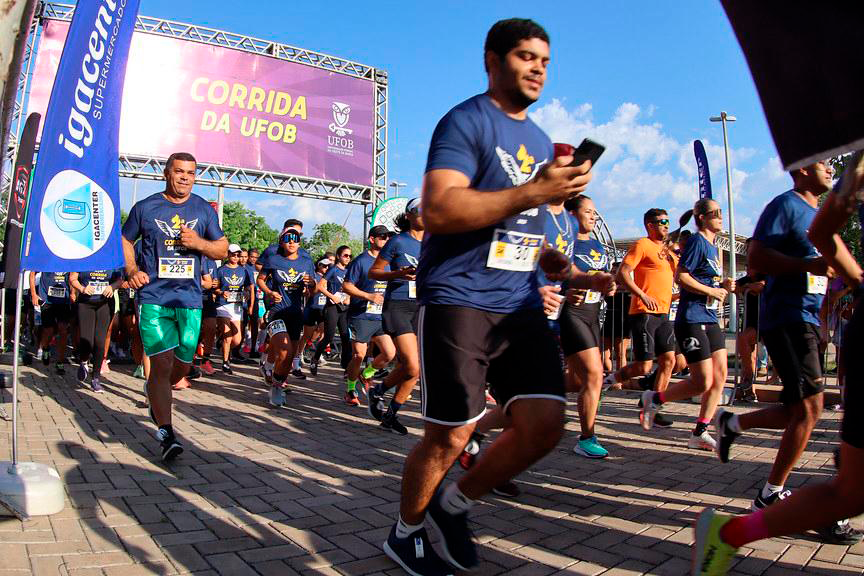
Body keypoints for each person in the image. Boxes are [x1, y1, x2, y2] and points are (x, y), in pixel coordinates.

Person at [382, 19, 604, 575]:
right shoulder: (465, 121)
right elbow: (440, 210)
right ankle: (405, 533)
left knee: (545, 424)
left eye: (545, 61)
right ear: (491, 60)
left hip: (521, 301)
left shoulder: (536, 140)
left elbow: (519, 225)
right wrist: (535, 190)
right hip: (459, 297)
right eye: (525, 57)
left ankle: (453, 505)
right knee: (451, 433)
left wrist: (555, 262)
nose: (537, 69)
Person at [694, 152, 864, 575]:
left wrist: (833, 301)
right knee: (811, 409)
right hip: (786, 317)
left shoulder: (821, 211)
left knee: (799, 409)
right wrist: (806, 265)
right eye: (825, 163)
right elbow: (756, 258)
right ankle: (772, 491)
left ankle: (733, 427)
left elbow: (833, 265)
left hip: (806, 318)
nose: (831, 168)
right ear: (801, 167)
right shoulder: (786, 205)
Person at [122, 152, 228, 462]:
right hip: (155, 298)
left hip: (190, 300)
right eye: (179, 171)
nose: (185, 177)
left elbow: (221, 248)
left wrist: (199, 244)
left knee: (182, 367)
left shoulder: (203, 211)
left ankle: (155, 392)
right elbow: (126, 240)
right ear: (167, 173)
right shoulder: (145, 207)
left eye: (191, 173)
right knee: (162, 364)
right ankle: (166, 432)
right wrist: (131, 270)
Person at [639, 199, 734, 451]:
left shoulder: (713, 247)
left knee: (721, 375)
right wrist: (711, 291)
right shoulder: (696, 242)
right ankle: (655, 398)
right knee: (702, 381)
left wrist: (723, 287)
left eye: (721, 212)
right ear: (701, 217)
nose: (721, 217)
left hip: (710, 318)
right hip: (691, 318)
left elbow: (705, 282)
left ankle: (699, 432)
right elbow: (681, 276)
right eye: (716, 213)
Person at [602, 209, 680, 428]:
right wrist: (642, 295)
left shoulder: (667, 252)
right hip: (643, 312)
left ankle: (653, 406)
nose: (666, 225)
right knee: (643, 367)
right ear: (649, 225)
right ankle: (606, 381)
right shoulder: (642, 245)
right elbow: (623, 273)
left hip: (664, 313)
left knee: (669, 361)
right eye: (661, 222)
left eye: (668, 222)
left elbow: (680, 275)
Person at [561, 196, 617, 458]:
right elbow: (548, 274)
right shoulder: (565, 243)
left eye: (595, 212)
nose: (594, 217)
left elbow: (604, 278)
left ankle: (536, 392)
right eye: (588, 212)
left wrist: (611, 284)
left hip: (594, 314)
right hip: (571, 313)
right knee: (595, 374)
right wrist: (564, 293)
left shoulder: (598, 246)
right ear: (572, 215)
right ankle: (586, 437)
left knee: (576, 380)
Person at [367, 199, 424, 434]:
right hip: (398, 305)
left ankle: (387, 409)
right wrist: (398, 273)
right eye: (421, 210)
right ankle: (379, 393)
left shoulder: (435, 243)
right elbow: (374, 271)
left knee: (412, 368)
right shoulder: (398, 241)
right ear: (409, 215)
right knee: (413, 366)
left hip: (422, 306)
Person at [256, 226, 315, 405]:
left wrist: (311, 284)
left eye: (295, 238)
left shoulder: (306, 262)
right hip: (276, 311)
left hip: (295, 313)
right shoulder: (274, 259)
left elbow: (312, 290)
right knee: (284, 350)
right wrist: (269, 292)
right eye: (288, 238)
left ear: (299, 242)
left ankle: (276, 383)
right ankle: (271, 374)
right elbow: (260, 279)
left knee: (289, 358)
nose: (291, 241)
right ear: (282, 241)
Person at [341, 225, 396, 406]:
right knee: (359, 355)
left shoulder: (390, 262)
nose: (385, 240)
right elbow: (347, 286)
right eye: (382, 237)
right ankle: (350, 389)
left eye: (387, 237)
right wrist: (368, 296)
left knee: (389, 353)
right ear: (372, 239)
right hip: (361, 315)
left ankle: (366, 374)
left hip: (380, 316)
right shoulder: (361, 261)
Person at [69, 269, 123, 391]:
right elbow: (72, 278)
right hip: (86, 303)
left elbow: (120, 280)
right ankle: (84, 362)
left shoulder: (110, 258)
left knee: (100, 341)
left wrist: (112, 287)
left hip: (105, 303)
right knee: (87, 341)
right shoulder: (84, 255)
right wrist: (82, 289)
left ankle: (96, 378)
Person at [310, 245, 352, 376]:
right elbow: (320, 286)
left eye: (350, 256)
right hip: (332, 307)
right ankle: (315, 358)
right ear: (339, 256)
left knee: (346, 337)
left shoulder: (350, 270)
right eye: (345, 255)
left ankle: (346, 368)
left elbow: (352, 286)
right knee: (328, 336)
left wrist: (349, 297)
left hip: (344, 308)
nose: (348, 258)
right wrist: (333, 297)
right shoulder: (333, 269)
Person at [213, 244, 253, 375]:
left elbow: (248, 287)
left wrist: (247, 294)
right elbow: (215, 288)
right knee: (227, 334)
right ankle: (225, 362)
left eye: (237, 255)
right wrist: (220, 293)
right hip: (223, 305)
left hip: (237, 306)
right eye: (233, 254)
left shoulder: (244, 271)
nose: (235, 257)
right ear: (228, 254)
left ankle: (221, 342)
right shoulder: (221, 270)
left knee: (236, 340)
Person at [735, 239, 766, 402]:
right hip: (750, 319)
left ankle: (748, 381)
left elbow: (762, 285)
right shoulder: (748, 273)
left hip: (769, 319)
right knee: (747, 348)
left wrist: (752, 287)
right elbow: (736, 286)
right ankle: (749, 387)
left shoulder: (767, 265)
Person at [30, 270, 71, 374]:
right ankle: (45, 347)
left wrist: (74, 293)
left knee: (63, 330)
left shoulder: (70, 256)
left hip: (64, 300)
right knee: (49, 330)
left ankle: (60, 361)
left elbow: (75, 275)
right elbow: (32, 273)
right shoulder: (47, 256)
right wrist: (34, 294)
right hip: (47, 299)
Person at [298, 257, 330, 374]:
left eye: (328, 266)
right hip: (312, 308)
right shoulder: (314, 276)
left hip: (323, 309)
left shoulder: (329, 277)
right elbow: (307, 292)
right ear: (319, 266)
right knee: (306, 334)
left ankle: (317, 354)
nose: (327, 268)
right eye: (324, 266)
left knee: (323, 331)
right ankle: (299, 354)